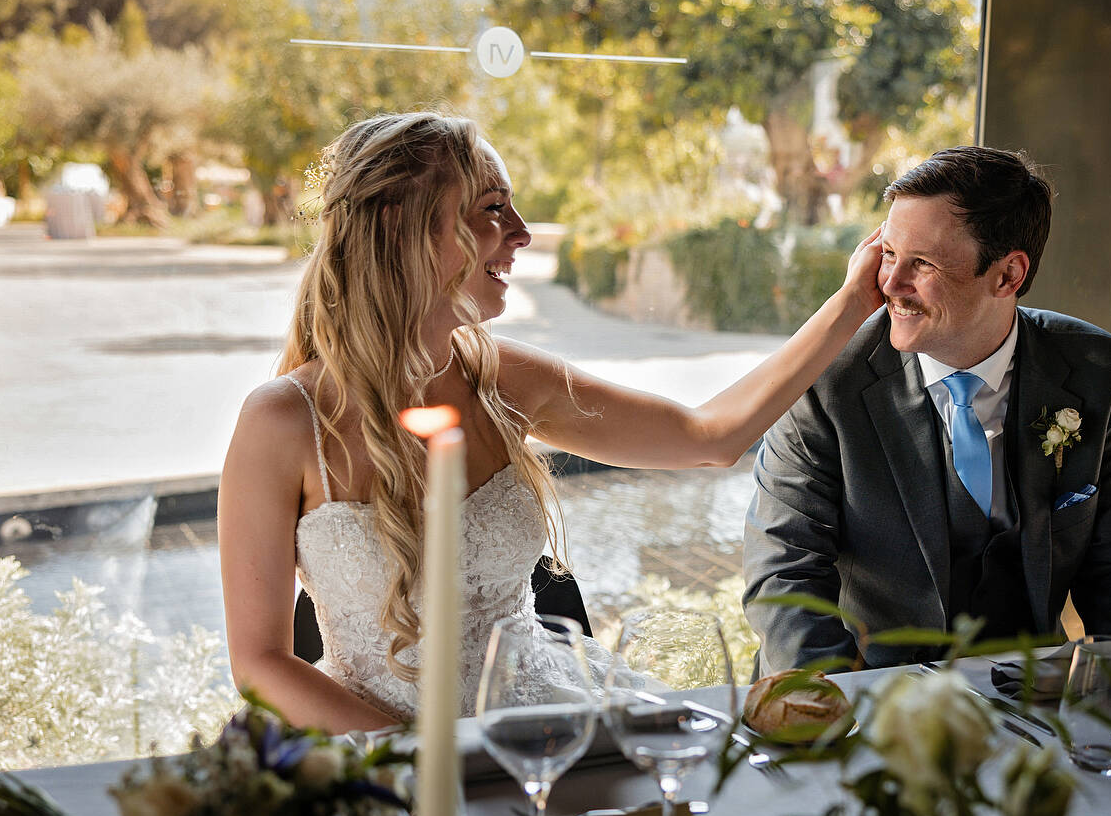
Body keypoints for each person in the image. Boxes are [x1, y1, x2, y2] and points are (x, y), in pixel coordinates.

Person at [220, 112, 883, 733]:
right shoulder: (282, 422)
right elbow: (261, 664)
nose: (523, 233)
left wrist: (853, 300)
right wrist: (421, 763)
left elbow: (710, 438)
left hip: (547, 727)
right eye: (492, 210)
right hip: (375, 751)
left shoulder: (508, 382)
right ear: (401, 226)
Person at [743, 146, 1111, 674]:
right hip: (866, 692)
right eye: (889, 254)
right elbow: (783, 574)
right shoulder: (825, 377)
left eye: (922, 263)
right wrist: (842, 713)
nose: (891, 285)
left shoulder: (1095, 370)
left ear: (1008, 275)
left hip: (1030, 693)